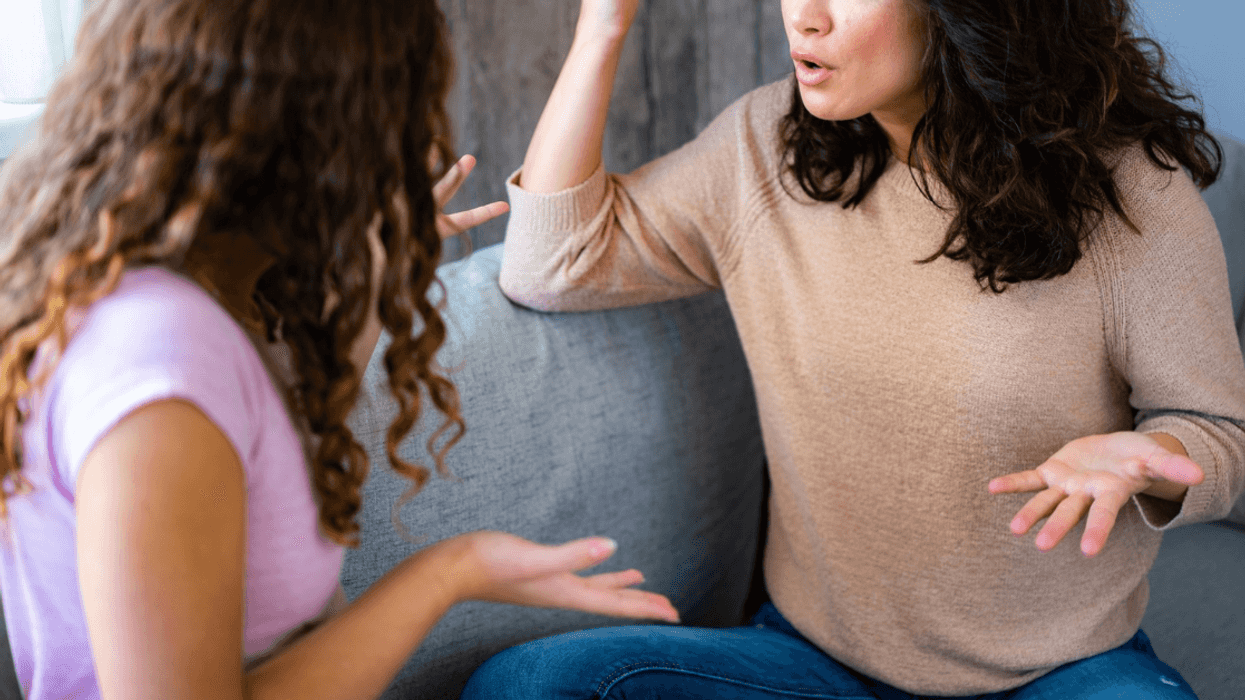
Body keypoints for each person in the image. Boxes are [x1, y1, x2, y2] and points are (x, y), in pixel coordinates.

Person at [458, 0, 1245, 698]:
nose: (803, 16)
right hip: (812, 662)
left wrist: (1154, 455)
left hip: (1060, 673)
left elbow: (1218, 430)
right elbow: (550, 264)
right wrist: (604, 23)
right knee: (528, 685)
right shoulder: (763, 150)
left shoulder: (1128, 190)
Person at [0, 0, 681, 698]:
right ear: (307, 126)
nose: (415, 147)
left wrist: (377, 266)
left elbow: (275, 459)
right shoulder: (158, 357)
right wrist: (452, 571)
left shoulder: (189, 301)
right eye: (395, 111)